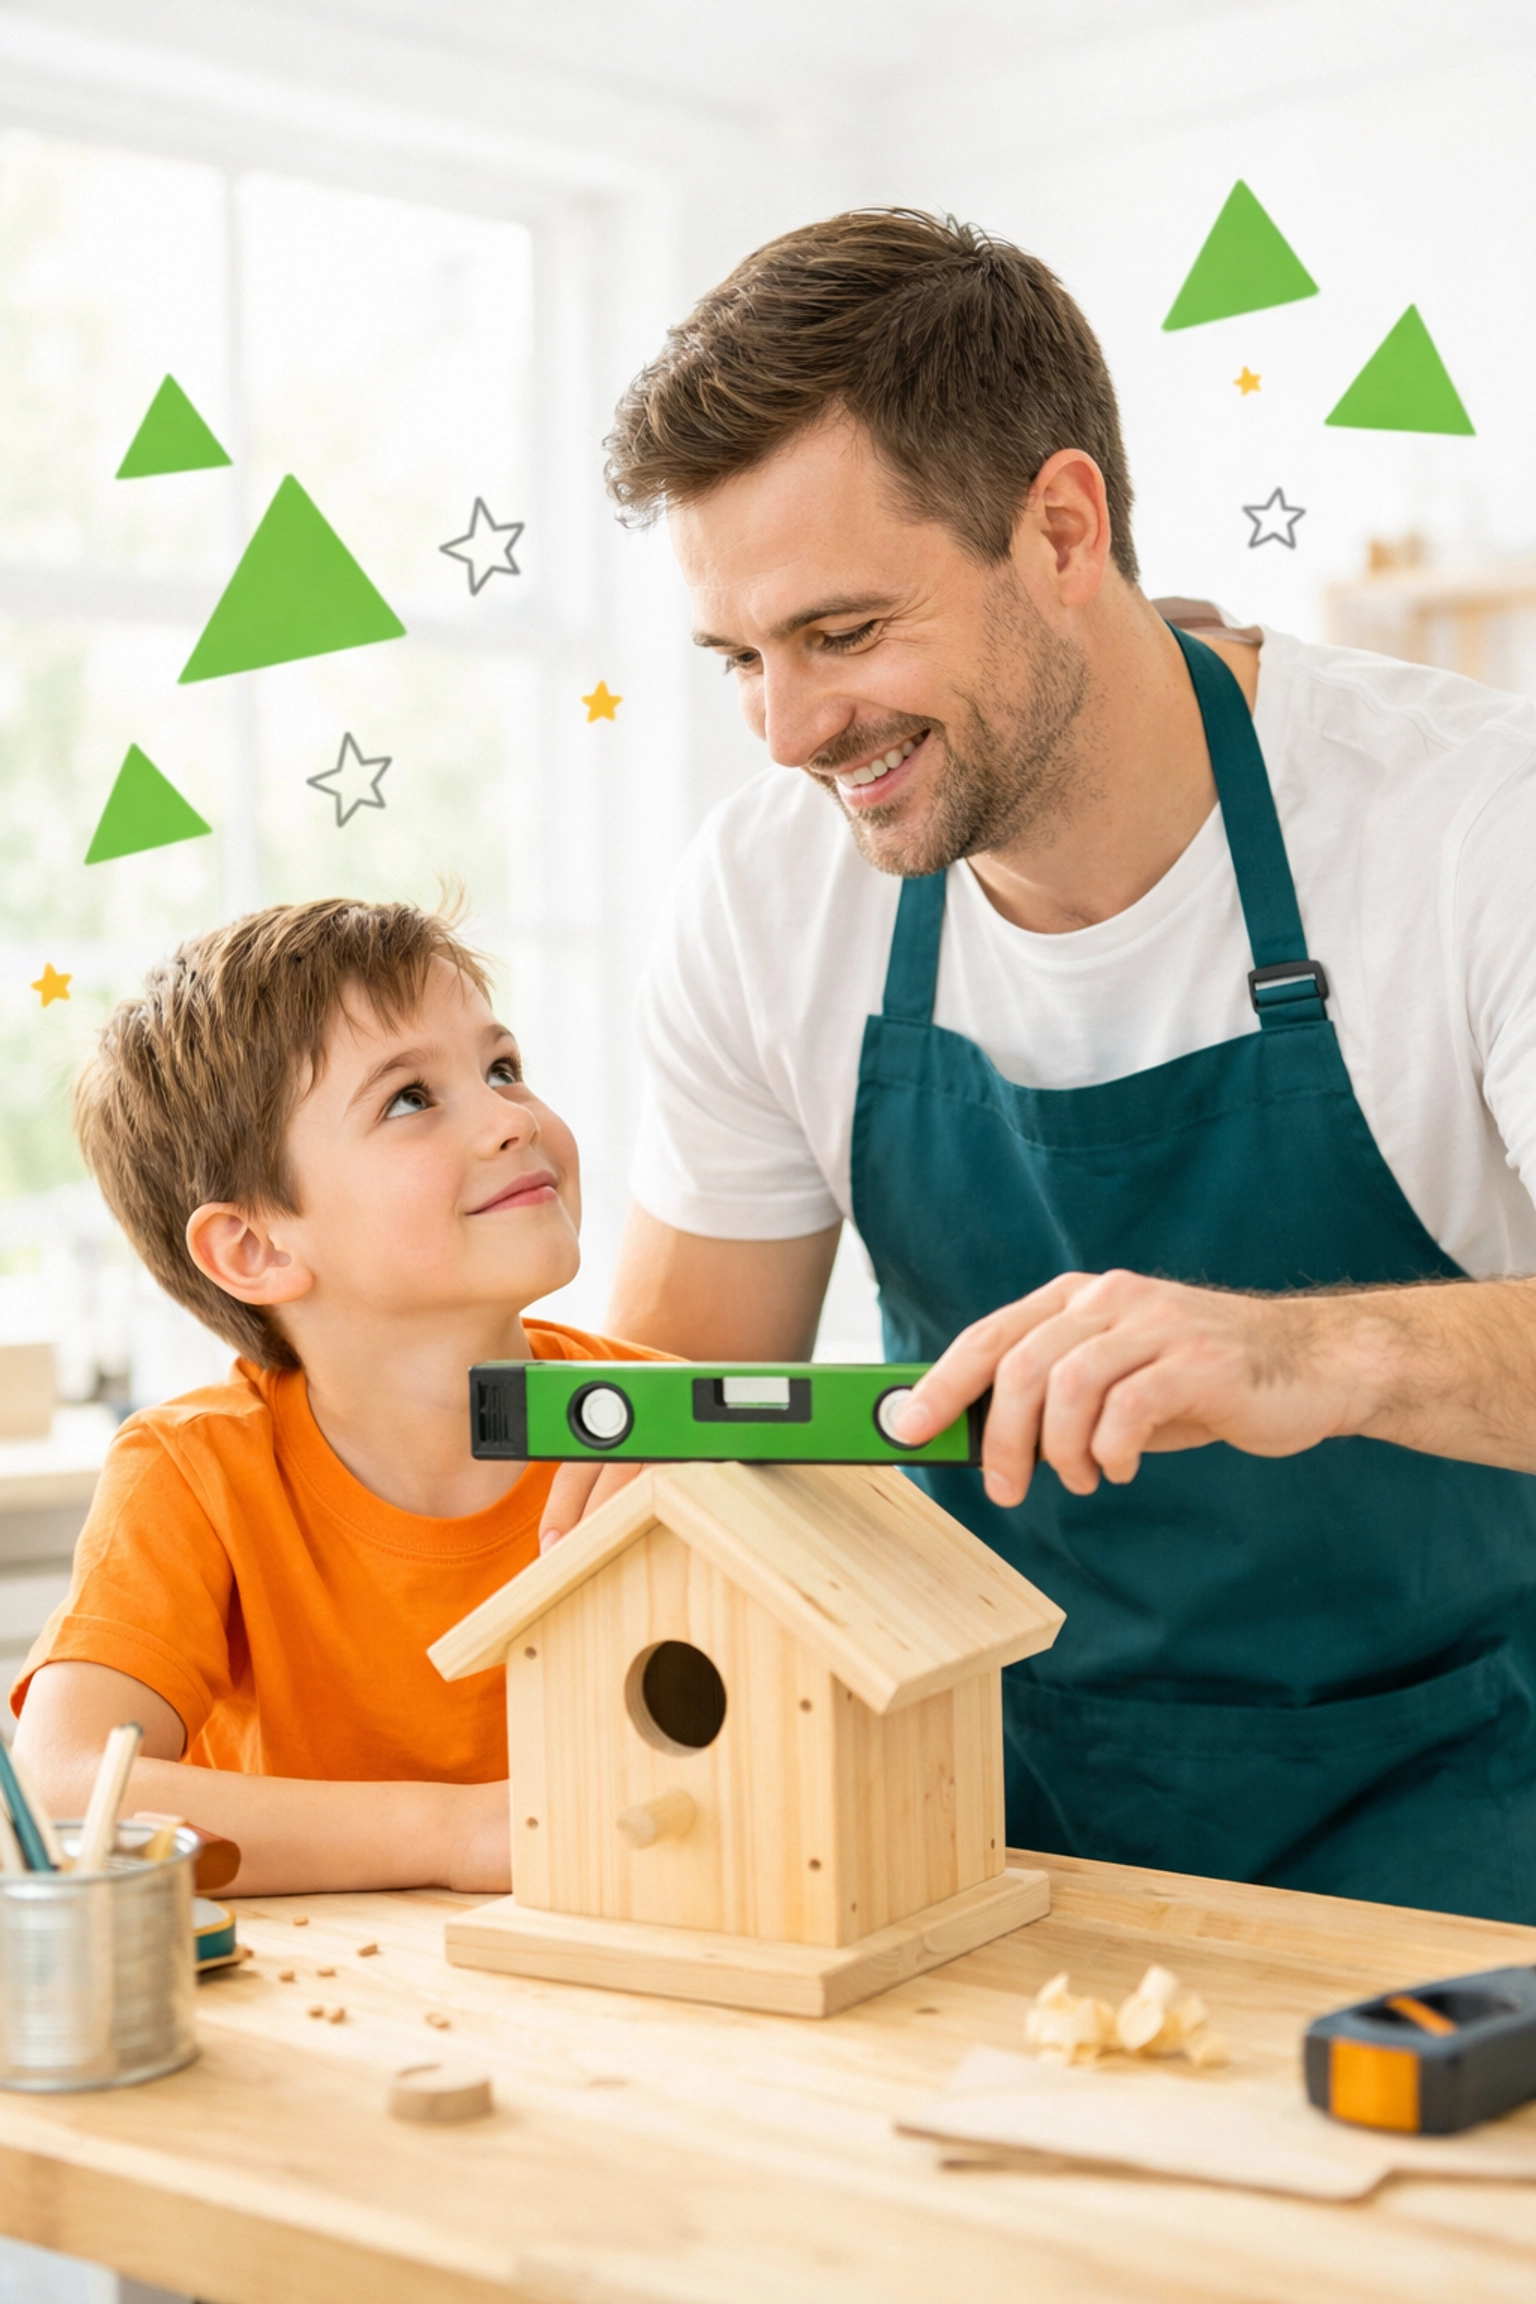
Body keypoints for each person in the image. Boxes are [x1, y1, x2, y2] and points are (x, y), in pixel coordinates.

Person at [550, 207, 1536, 1921]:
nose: (786, 731)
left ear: (1061, 527)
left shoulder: (1471, 824)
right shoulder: (763, 900)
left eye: (843, 633)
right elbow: (685, 1434)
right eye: (741, 661)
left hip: (1455, 1840)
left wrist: (1325, 1349)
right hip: (970, 1839)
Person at [13, 899, 659, 1895]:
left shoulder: (661, 1426)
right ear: (256, 1248)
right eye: (410, 1098)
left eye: (502, 1067)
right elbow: (60, 1797)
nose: (512, 1119)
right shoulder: (193, 1474)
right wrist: (462, 1837)